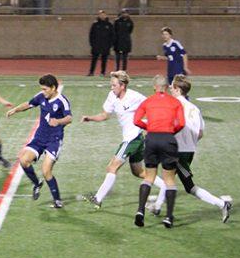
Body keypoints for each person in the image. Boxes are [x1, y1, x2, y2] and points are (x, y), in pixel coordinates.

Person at [148, 76, 232, 222]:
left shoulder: (173, 104)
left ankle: (221, 204)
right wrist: (190, 143)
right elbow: (200, 133)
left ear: (178, 89)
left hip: (177, 150)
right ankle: (158, 207)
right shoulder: (195, 108)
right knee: (170, 177)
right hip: (189, 150)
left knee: (187, 185)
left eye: (173, 87)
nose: (171, 90)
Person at [81, 71, 166, 209]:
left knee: (112, 167)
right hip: (135, 139)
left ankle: (98, 199)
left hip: (132, 139)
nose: (111, 87)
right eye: (111, 85)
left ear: (123, 86)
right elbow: (105, 115)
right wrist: (90, 118)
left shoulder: (135, 97)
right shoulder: (112, 96)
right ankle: (165, 187)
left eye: (114, 85)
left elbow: (152, 105)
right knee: (138, 172)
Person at [6, 74, 72, 209]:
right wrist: (15, 110)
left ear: (53, 88)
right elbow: (29, 104)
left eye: (45, 89)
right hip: (39, 138)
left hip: (54, 140)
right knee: (24, 160)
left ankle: (57, 200)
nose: (43, 92)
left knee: (46, 170)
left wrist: (58, 121)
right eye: (41, 89)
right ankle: (37, 184)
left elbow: (69, 118)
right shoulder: (41, 96)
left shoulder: (62, 101)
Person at [132, 74, 185, 228]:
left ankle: (140, 211)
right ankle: (168, 217)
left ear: (154, 87)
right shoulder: (175, 102)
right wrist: (170, 131)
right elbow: (181, 123)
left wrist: (148, 128)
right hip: (168, 139)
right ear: (167, 87)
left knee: (149, 177)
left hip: (151, 139)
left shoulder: (147, 101)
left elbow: (136, 120)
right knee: (169, 179)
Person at [88, 9, 114, 76]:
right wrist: (92, 44)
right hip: (96, 45)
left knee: (104, 60)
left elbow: (112, 35)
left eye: (103, 14)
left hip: (105, 45)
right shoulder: (95, 24)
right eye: (100, 14)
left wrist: (110, 45)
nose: (102, 16)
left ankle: (103, 72)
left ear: (106, 15)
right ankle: (91, 72)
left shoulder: (109, 25)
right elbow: (91, 35)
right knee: (94, 60)